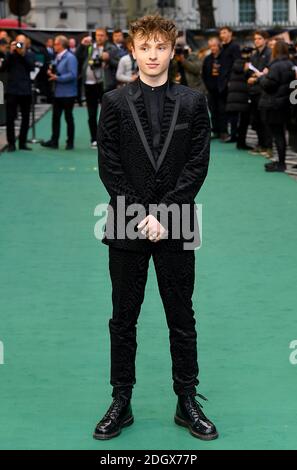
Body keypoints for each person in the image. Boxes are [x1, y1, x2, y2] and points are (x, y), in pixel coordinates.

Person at [94, 14, 218, 441]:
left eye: (160, 47)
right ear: (133, 49)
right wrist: (138, 212)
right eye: (144, 47)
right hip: (126, 220)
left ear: (172, 50)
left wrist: (163, 213)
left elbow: (197, 162)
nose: (152, 55)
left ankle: (186, 401)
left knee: (181, 316)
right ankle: (121, 400)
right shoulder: (112, 102)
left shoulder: (192, 102)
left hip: (177, 221)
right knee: (123, 318)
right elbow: (109, 164)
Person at [76, 29, 119, 149]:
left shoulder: (112, 48)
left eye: (102, 35)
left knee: (107, 114)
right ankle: (94, 138)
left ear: (106, 37)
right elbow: (77, 57)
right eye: (97, 35)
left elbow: (118, 64)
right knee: (91, 113)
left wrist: (108, 59)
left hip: (104, 85)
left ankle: (107, 139)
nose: (99, 37)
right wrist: (81, 45)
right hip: (89, 84)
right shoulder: (89, 47)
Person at [258, 40, 295, 172]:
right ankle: (281, 161)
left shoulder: (276, 66)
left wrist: (261, 77)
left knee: (277, 135)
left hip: (274, 103)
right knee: (280, 134)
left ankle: (281, 163)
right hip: (285, 103)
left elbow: (269, 85)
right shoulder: (290, 64)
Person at [41, 35, 78, 150]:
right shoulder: (57, 57)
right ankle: (54, 141)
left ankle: (70, 142)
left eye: (56, 44)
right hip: (58, 93)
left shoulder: (70, 57)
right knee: (55, 118)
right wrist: (52, 72)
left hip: (68, 94)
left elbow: (73, 75)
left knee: (68, 118)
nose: (54, 46)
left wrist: (57, 78)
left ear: (61, 45)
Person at [2, 34, 35, 152]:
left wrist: (22, 54)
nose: (20, 45)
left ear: (26, 43)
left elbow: (31, 67)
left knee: (25, 118)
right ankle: (11, 143)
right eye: (18, 42)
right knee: (10, 118)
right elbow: (3, 68)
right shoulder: (10, 55)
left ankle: (22, 142)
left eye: (22, 42)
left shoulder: (29, 55)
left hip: (25, 90)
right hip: (12, 90)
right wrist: (11, 53)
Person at [247, 31, 272, 157]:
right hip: (254, 91)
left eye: (259, 38)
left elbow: (267, 72)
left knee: (265, 120)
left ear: (265, 39)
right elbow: (252, 71)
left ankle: (268, 147)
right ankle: (261, 144)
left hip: (264, 91)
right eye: (255, 39)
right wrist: (251, 77)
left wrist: (256, 78)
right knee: (255, 120)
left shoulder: (269, 53)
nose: (256, 41)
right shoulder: (254, 54)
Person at [218, 26, 241, 142]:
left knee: (233, 111)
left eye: (224, 32)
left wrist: (230, 81)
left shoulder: (235, 47)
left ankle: (234, 134)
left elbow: (237, 64)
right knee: (225, 110)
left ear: (230, 33)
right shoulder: (223, 48)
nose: (222, 35)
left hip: (231, 83)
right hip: (222, 83)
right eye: (221, 33)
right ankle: (227, 133)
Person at [202, 37, 224, 139]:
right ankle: (215, 130)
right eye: (211, 46)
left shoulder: (224, 57)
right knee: (213, 111)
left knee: (222, 110)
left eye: (214, 45)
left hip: (222, 89)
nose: (213, 48)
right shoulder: (207, 59)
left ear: (218, 45)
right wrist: (208, 86)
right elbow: (204, 74)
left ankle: (223, 131)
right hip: (211, 90)